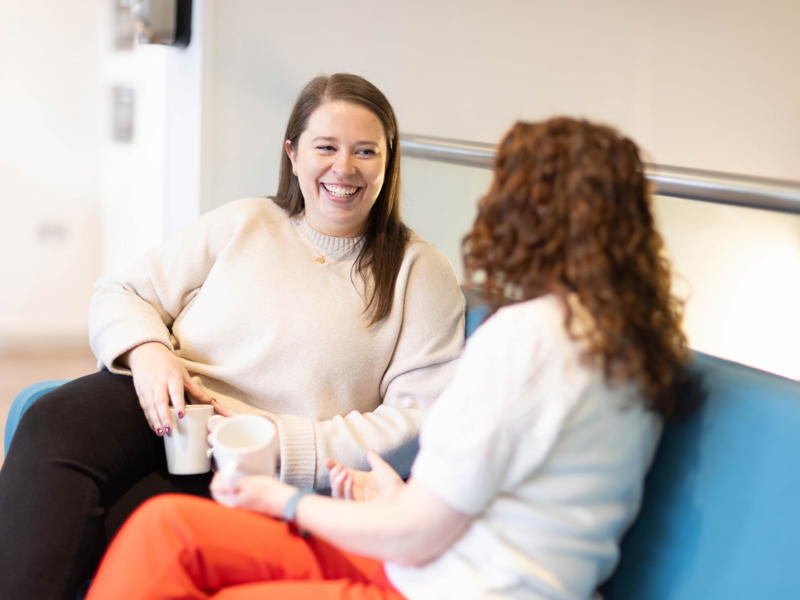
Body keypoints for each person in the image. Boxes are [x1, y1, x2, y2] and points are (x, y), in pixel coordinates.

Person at [85, 116, 691, 599]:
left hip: (446, 583)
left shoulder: (528, 338)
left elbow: (419, 534)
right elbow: (502, 500)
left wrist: (283, 500)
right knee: (168, 526)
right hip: (438, 558)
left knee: (180, 549)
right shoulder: (631, 342)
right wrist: (394, 497)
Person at [0, 73, 465, 600]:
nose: (344, 167)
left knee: (115, 526)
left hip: (259, 464)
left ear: (388, 160)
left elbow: (419, 419)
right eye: (326, 147)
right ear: (293, 153)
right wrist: (149, 352)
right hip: (166, 405)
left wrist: (283, 442)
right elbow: (122, 291)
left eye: (365, 151)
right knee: (51, 419)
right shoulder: (246, 220)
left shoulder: (419, 271)